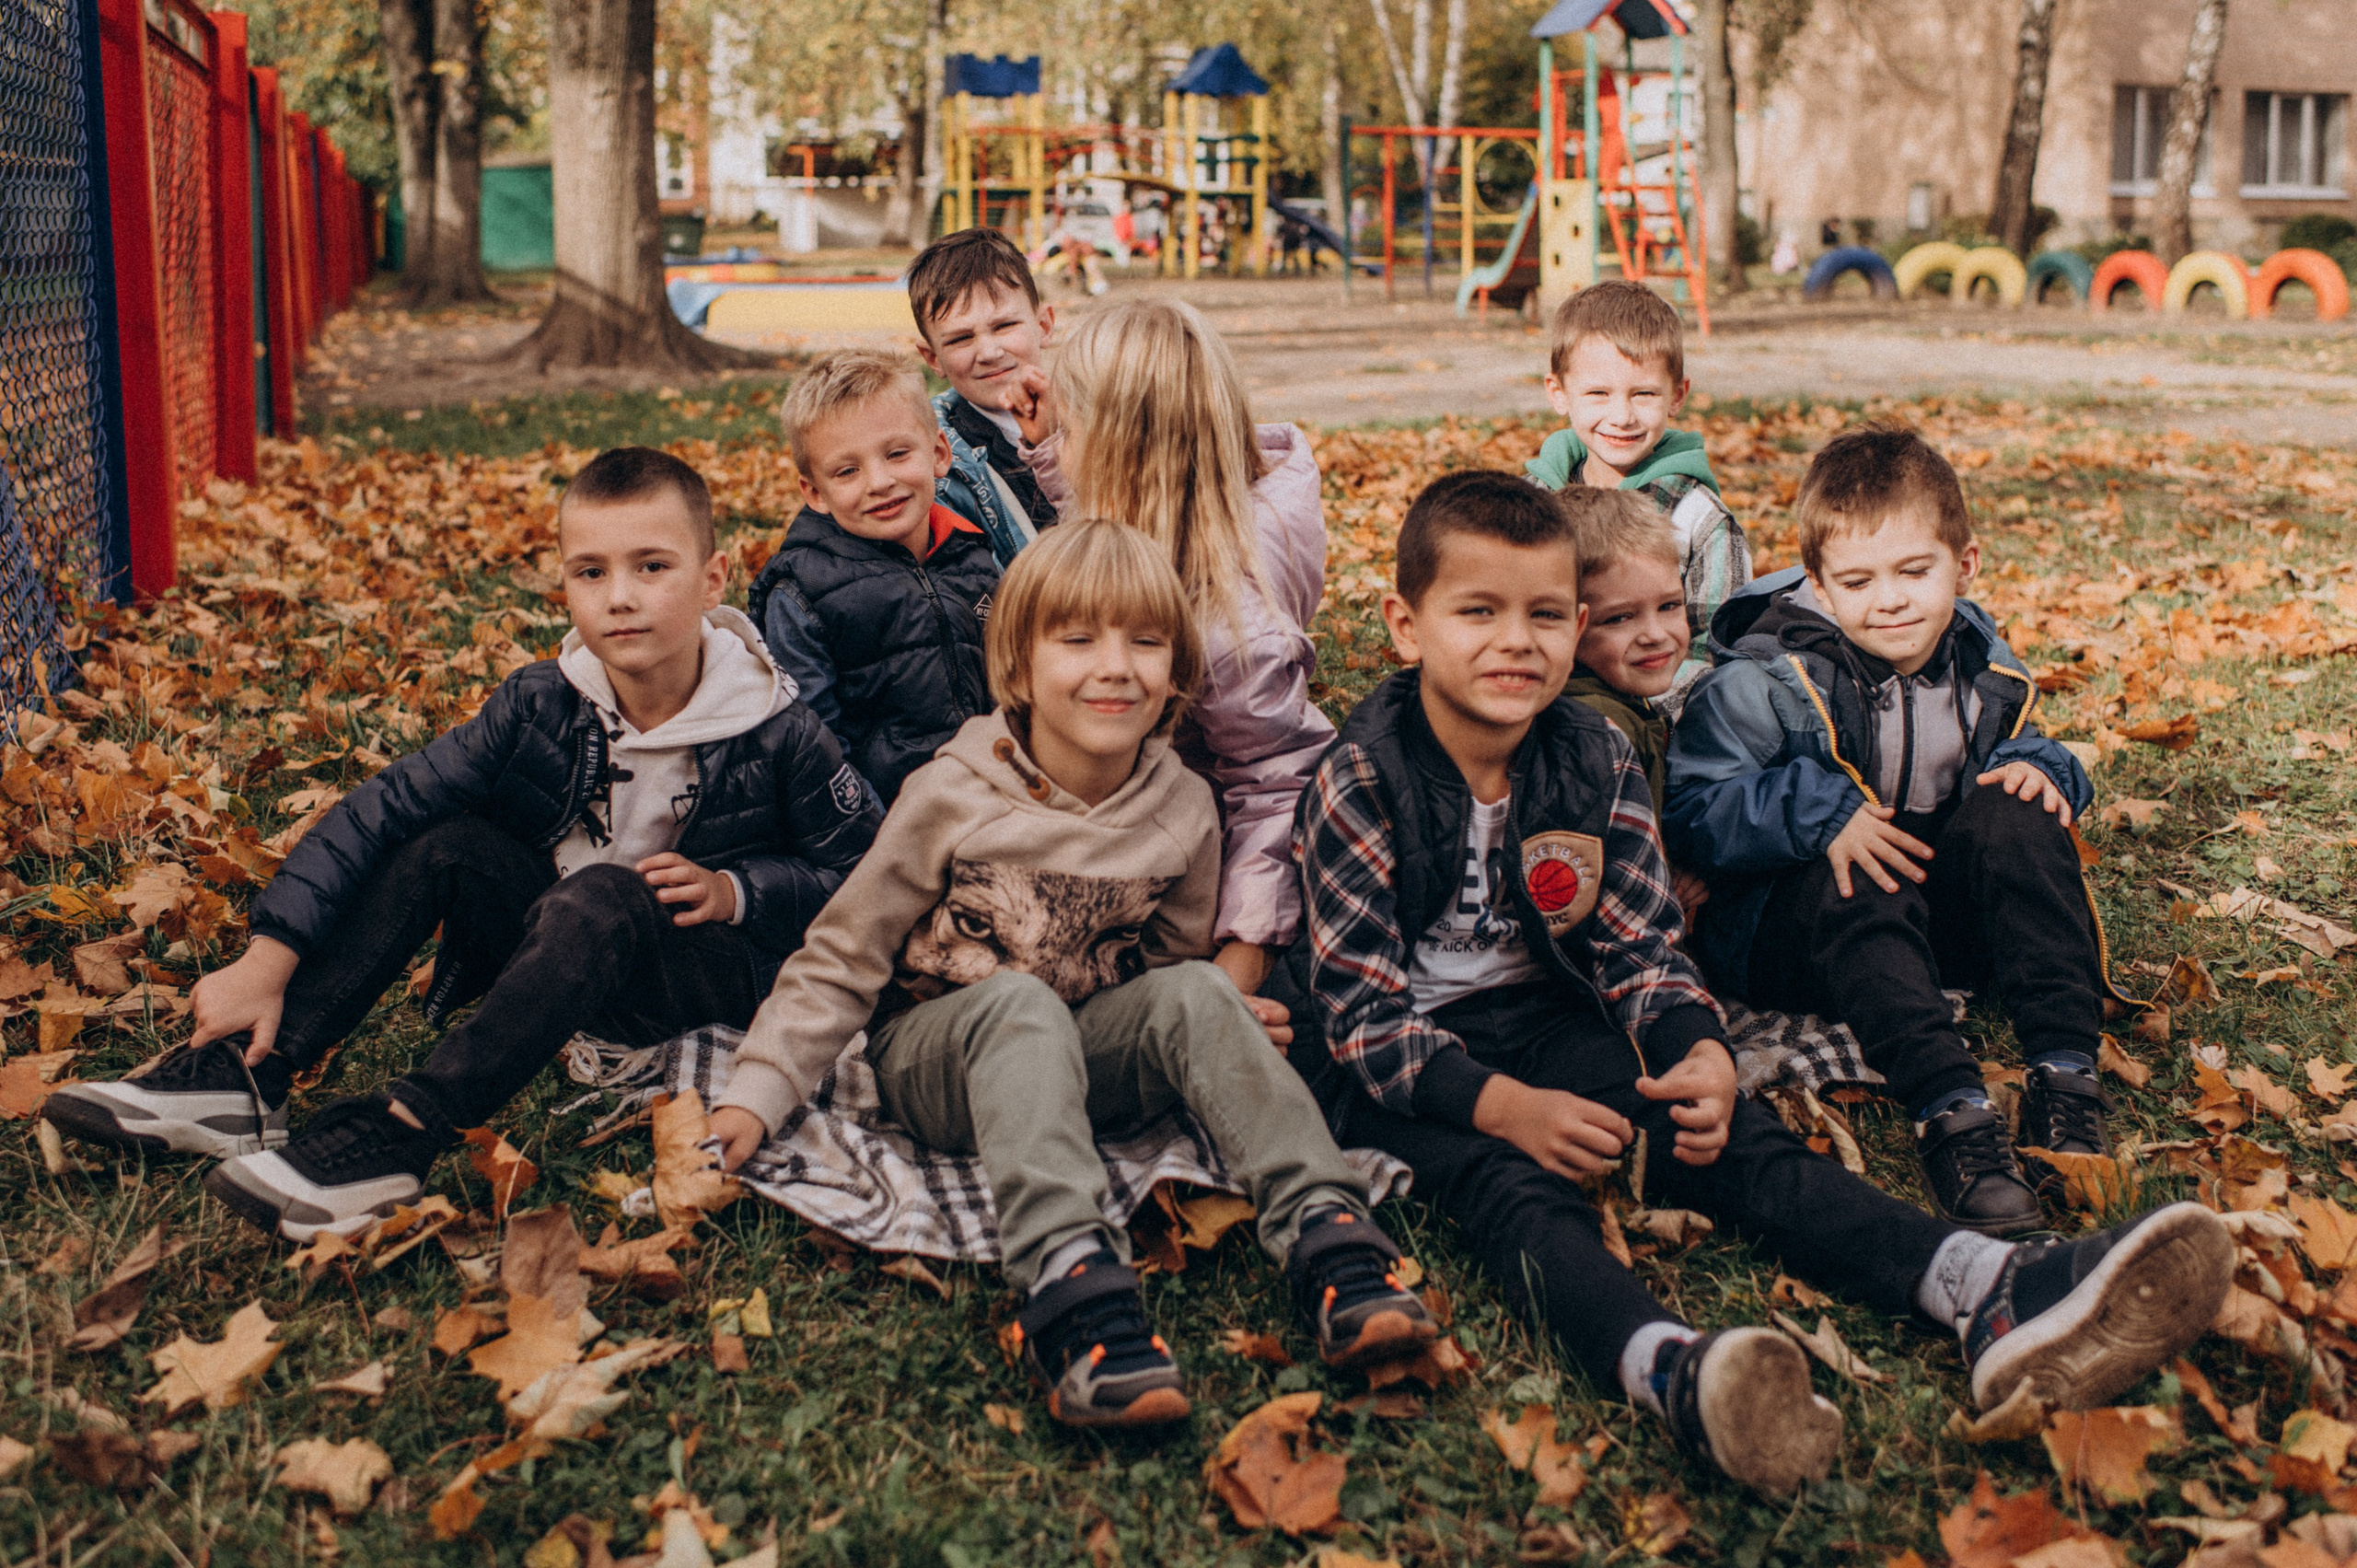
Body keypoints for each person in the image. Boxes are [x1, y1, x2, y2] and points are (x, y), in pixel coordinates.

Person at [1271, 470, 2232, 1494]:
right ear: (1405, 627)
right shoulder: (1361, 774)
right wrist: (1504, 1106)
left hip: (1541, 1013)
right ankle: (1672, 1372)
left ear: (1575, 624)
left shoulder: (1591, 754)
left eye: (1545, 614)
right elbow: (1360, 1013)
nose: (1517, 641)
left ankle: (1983, 1283)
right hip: (1385, 1061)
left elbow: (1640, 945)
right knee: (1509, 1184)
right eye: (1478, 612)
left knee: (1722, 1133)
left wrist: (1696, 1047)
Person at [705, 521, 1437, 1429]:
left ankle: (1331, 1237)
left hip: (1084, 1057)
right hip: (939, 1060)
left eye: (1144, 641)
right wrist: (757, 1092)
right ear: (1018, 664)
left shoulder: (1181, 807)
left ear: (1176, 670)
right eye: (1078, 639)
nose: (1114, 667)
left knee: (1203, 989)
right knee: (1015, 1003)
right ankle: (1072, 1285)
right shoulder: (952, 793)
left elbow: (1166, 973)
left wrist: (1218, 1021)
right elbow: (844, 953)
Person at [43, 449, 880, 1239]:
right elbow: (383, 808)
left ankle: (404, 1131)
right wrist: (268, 957)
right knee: (447, 841)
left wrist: (741, 890)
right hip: (561, 952)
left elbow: (864, 879)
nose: (620, 597)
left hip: (700, 978)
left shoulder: (778, 727)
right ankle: (252, 1072)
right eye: (591, 572)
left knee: (602, 894)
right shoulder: (544, 703)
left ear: (714, 577)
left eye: (652, 566)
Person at [1665, 424, 2111, 1237]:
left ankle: (2066, 1068)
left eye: (1915, 571)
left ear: (1964, 565)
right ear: (1820, 587)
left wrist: (2048, 768)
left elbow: (2019, 753)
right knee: (1855, 867)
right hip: (1805, 933)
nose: (1892, 600)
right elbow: (1694, 808)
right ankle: (1951, 1107)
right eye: (1858, 581)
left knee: (2021, 805)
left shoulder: (1977, 659)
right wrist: (1816, 812)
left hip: (1935, 922)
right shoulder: (1766, 678)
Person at [1009, 298, 1337, 1028]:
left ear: (1120, 453)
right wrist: (1050, 450)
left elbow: (1277, 784)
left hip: (1207, 859)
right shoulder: (1192, 507)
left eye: (1071, 432)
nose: (1060, 443)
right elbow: (1117, 523)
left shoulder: (1227, 625)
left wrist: (1239, 964)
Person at [747, 349, 1000, 807]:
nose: (879, 482)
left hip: (993, 796)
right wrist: (876, 829)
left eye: (897, 454)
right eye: (848, 471)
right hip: (882, 819)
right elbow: (814, 747)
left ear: (939, 453)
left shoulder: (973, 555)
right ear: (814, 492)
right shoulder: (804, 592)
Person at [1523, 281, 1749, 706]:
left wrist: (1647, 718)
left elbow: (1717, 649)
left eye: (1643, 394)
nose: (1622, 416)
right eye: (1598, 394)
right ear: (1558, 393)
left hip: (1652, 718)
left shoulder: (1700, 519)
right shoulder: (1531, 503)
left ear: (1676, 396)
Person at [1556, 486, 1711, 920]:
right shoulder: (1597, 729)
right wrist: (1658, 891)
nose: (1655, 634)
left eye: (1669, 606)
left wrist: (1669, 869)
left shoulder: (1625, 705)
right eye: (1620, 618)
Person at [904, 227, 1062, 564]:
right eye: (960, 339)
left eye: (1004, 326)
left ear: (1044, 326)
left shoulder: (1106, 418)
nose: (989, 353)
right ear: (933, 358)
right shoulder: (932, 462)